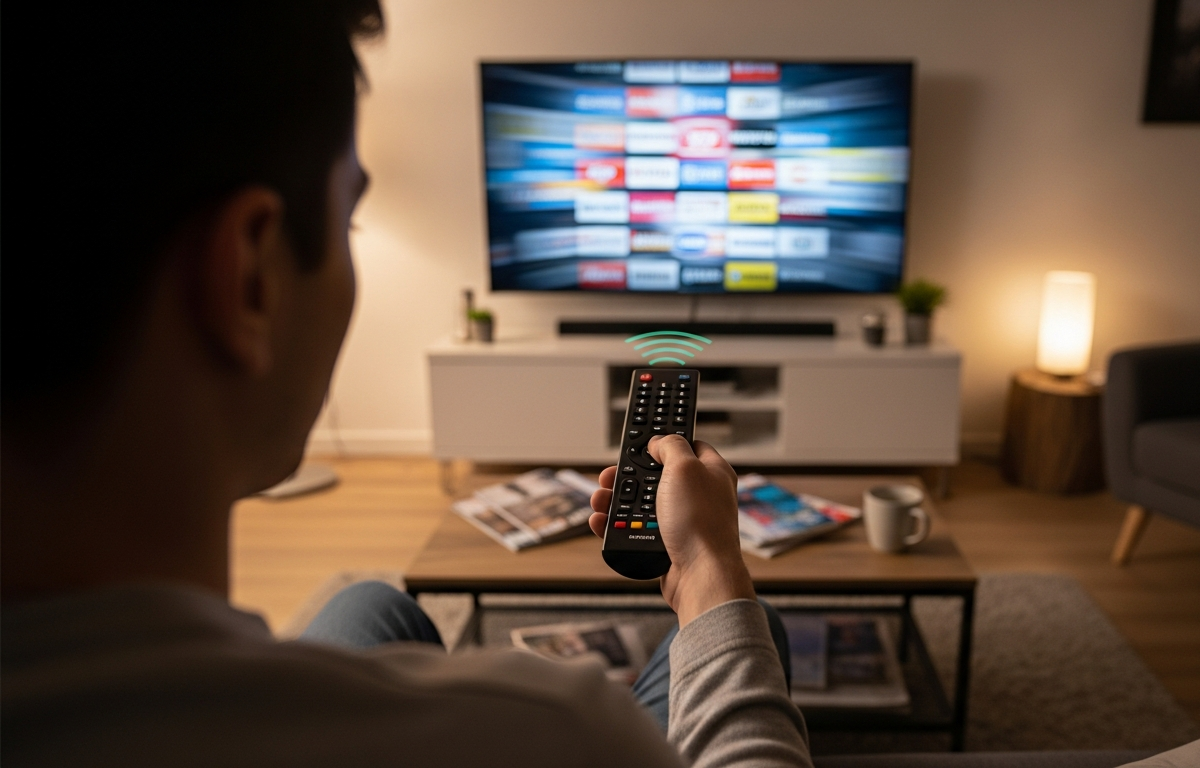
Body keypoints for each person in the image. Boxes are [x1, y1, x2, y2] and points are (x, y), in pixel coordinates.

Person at [0, 2, 811, 766]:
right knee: (751, 624)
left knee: (368, 607)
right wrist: (709, 569)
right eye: (350, 216)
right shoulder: (552, 731)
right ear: (246, 275)